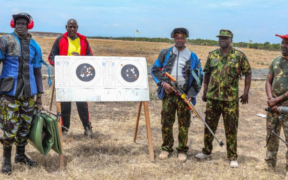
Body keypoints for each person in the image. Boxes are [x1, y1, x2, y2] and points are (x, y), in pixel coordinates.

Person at [195, 29, 252, 168]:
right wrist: (205, 91)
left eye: (225, 38)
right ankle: (207, 151)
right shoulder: (212, 55)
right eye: (220, 38)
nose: (222, 40)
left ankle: (232, 156)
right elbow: (207, 74)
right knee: (209, 126)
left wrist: (246, 93)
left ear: (231, 40)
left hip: (230, 100)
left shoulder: (239, 56)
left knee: (231, 128)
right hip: (213, 98)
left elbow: (248, 73)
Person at [151, 28, 203, 162]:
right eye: (177, 37)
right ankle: (166, 148)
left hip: (184, 96)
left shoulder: (192, 56)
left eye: (182, 37)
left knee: (184, 123)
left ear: (186, 39)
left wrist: (191, 94)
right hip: (168, 95)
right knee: (166, 122)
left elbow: (199, 77)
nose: (180, 40)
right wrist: (163, 84)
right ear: (174, 39)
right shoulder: (165, 53)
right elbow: (155, 70)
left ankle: (182, 150)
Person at [0, 13, 43, 174]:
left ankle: (20, 155)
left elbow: (38, 71)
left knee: (25, 127)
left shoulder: (35, 46)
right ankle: (6, 162)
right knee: (10, 128)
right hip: (9, 93)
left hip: (28, 95)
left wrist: (39, 96)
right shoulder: (5, 41)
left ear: (28, 25)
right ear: (13, 24)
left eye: (23, 23)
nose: (20, 26)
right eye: (17, 23)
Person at [48, 19, 93, 138]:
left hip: (80, 77)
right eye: (70, 27)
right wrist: (61, 63)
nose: (72, 29)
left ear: (77, 27)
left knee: (82, 103)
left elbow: (90, 57)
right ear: (66, 27)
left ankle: (87, 127)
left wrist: (81, 59)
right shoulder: (60, 40)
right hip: (65, 77)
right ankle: (64, 129)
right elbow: (51, 57)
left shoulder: (83, 40)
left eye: (74, 27)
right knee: (65, 105)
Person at [265, 34, 288, 171]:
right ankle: (269, 164)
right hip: (273, 107)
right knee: (271, 135)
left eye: (286, 43)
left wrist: (277, 100)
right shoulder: (275, 61)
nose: (283, 45)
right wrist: (270, 100)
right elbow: (268, 81)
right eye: (282, 43)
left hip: (286, 107)